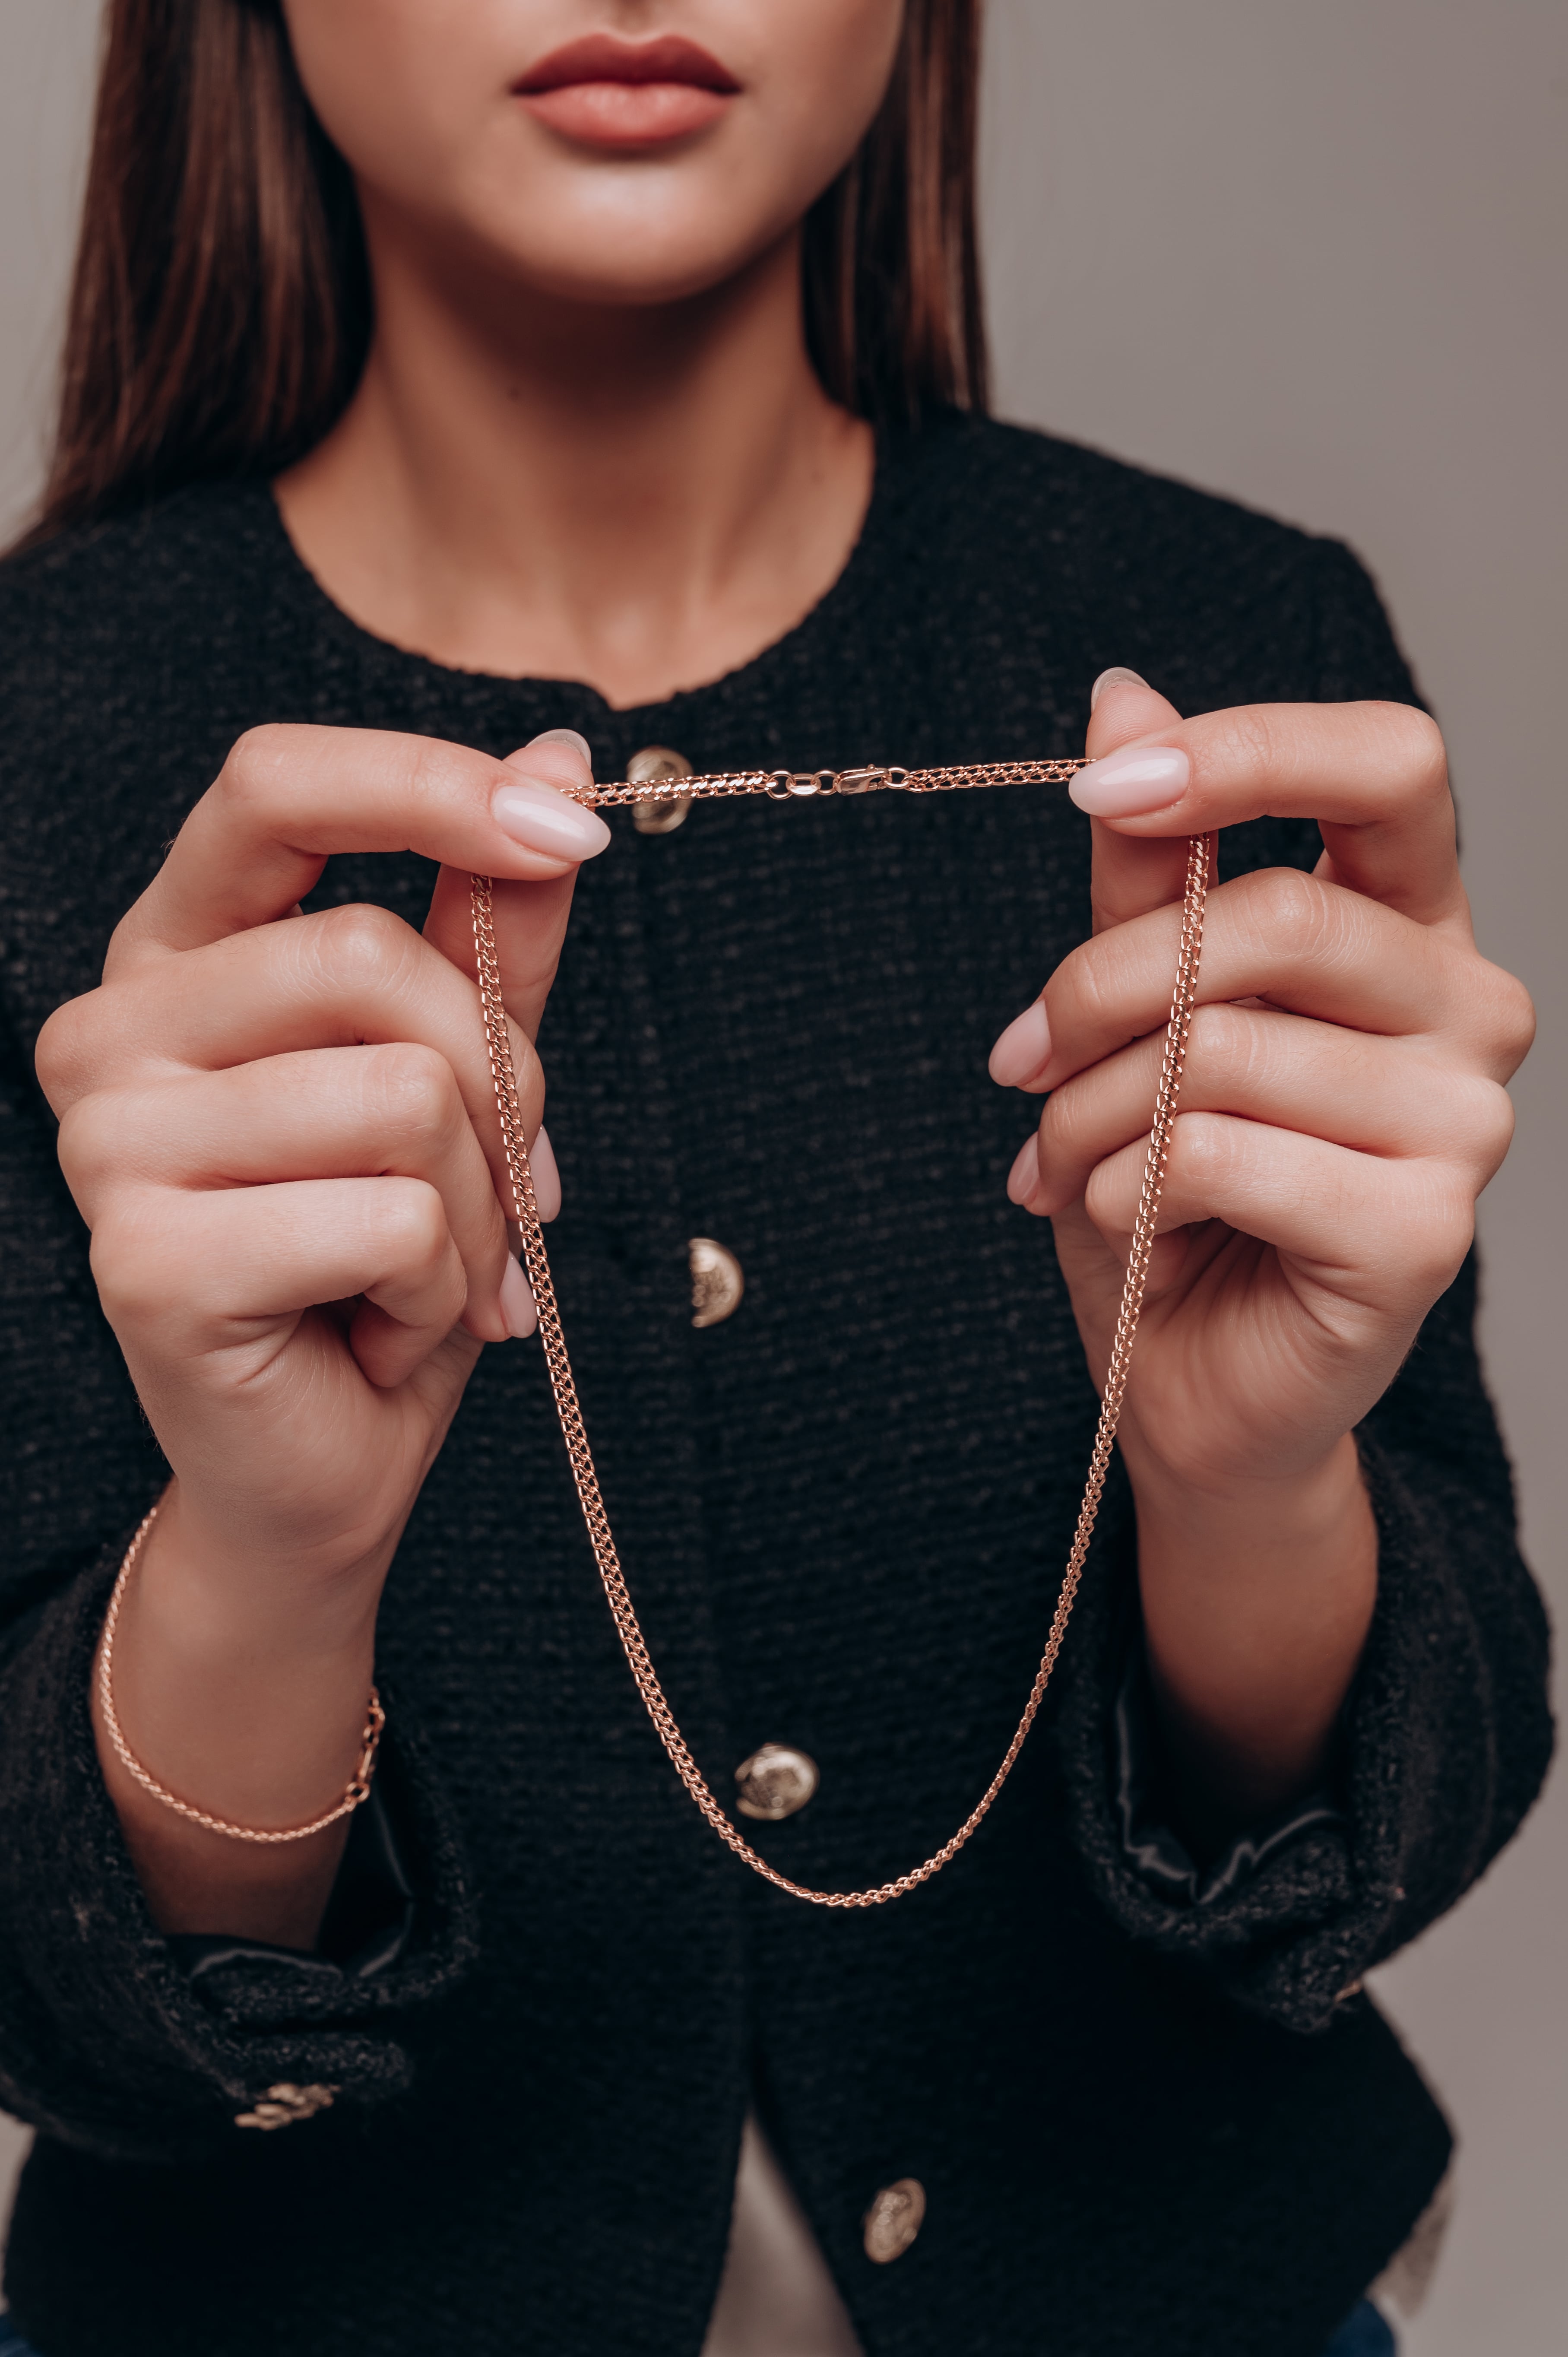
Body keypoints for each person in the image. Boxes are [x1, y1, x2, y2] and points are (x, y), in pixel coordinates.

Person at [0, 3, 1549, 2353]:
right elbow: (54, 1998)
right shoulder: (39, 742)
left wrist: (1247, 1490)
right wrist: (267, 1563)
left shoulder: (1234, 660)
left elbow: (1413, 1811)